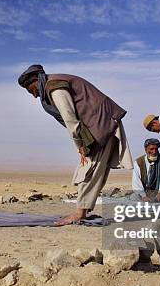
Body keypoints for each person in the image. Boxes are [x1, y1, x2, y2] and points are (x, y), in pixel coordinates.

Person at [18, 64, 133, 225]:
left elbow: (69, 117)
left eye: (31, 90)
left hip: (99, 126)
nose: (33, 95)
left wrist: (80, 143)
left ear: (36, 81)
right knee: (95, 168)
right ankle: (83, 210)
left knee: (89, 169)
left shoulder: (54, 86)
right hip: (101, 124)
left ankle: (80, 213)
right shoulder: (54, 82)